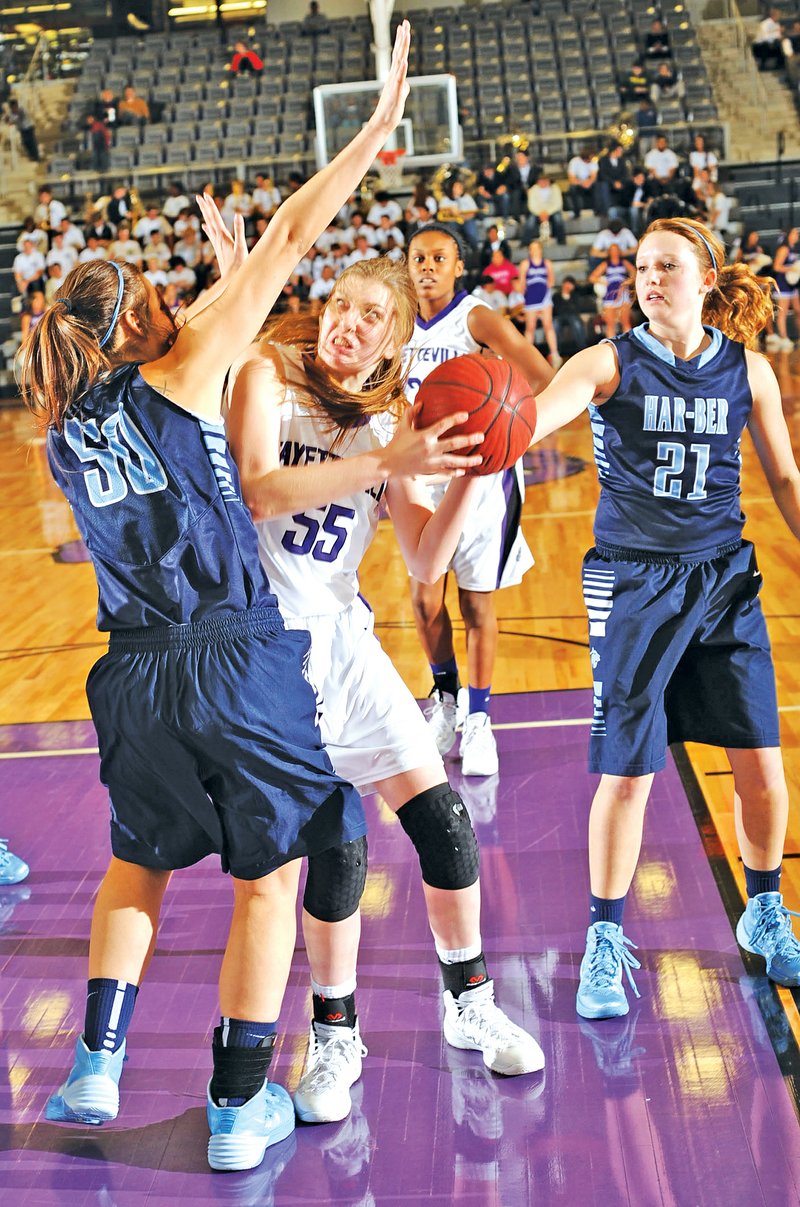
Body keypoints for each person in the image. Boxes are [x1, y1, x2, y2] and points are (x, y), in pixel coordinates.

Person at [16, 22, 413, 1173]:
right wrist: (371, 133)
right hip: (230, 656)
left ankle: (95, 1061)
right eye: (151, 298)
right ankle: (238, 1108)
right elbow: (297, 233)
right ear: (136, 322)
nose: (168, 308)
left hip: (130, 674)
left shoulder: (60, 429)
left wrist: (219, 275)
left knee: (135, 861)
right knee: (267, 876)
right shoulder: (182, 371)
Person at [224, 254, 545, 1129]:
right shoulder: (264, 375)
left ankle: (468, 999)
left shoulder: (393, 423)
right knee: (339, 843)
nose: (347, 322)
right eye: (340, 304)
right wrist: (386, 459)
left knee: (440, 817)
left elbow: (423, 561)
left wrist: (480, 468)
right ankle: (335, 1035)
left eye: (371, 315)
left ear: (395, 340)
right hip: (259, 649)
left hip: (342, 637)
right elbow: (259, 488)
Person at [526, 216, 800, 1019]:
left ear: (705, 278)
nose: (649, 278)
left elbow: (783, 476)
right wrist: (499, 425)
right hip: (635, 582)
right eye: (642, 266)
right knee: (629, 771)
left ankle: (767, 908)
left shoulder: (745, 371)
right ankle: (604, 939)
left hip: (725, 582)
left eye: (667, 266)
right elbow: (543, 414)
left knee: (762, 764)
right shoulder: (608, 362)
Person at [404, 223, 552, 776]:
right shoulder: (396, 322)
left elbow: (538, 376)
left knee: (476, 606)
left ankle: (480, 718)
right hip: (421, 478)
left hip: (482, 485)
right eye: (419, 257)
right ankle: (444, 699)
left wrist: (502, 426)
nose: (427, 267)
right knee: (423, 602)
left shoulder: (477, 317)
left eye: (439, 258)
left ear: (459, 266)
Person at [516, 238, 561, 367]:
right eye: (532, 248)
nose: (534, 250)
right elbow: (521, 284)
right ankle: (526, 356)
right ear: (529, 251)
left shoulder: (547, 263)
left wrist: (543, 293)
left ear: (541, 250)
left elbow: (551, 281)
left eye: (537, 248)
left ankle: (555, 354)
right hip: (531, 298)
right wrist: (524, 297)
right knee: (530, 328)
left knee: (548, 325)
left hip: (544, 297)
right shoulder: (525, 264)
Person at [589, 243, 635, 339]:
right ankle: (612, 347)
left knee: (625, 322)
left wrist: (626, 282)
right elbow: (592, 278)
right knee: (610, 324)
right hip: (610, 293)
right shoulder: (606, 264)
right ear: (609, 252)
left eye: (616, 250)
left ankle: (630, 346)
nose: (614, 252)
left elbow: (635, 274)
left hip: (623, 293)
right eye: (612, 250)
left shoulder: (624, 262)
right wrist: (604, 282)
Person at [770, 227, 800, 349]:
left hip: (792, 285)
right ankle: (784, 338)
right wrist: (792, 269)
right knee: (782, 313)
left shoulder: (792, 249)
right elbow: (776, 267)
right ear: (788, 235)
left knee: (798, 310)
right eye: (794, 233)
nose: (796, 235)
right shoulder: (784, 249)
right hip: (782, 285)